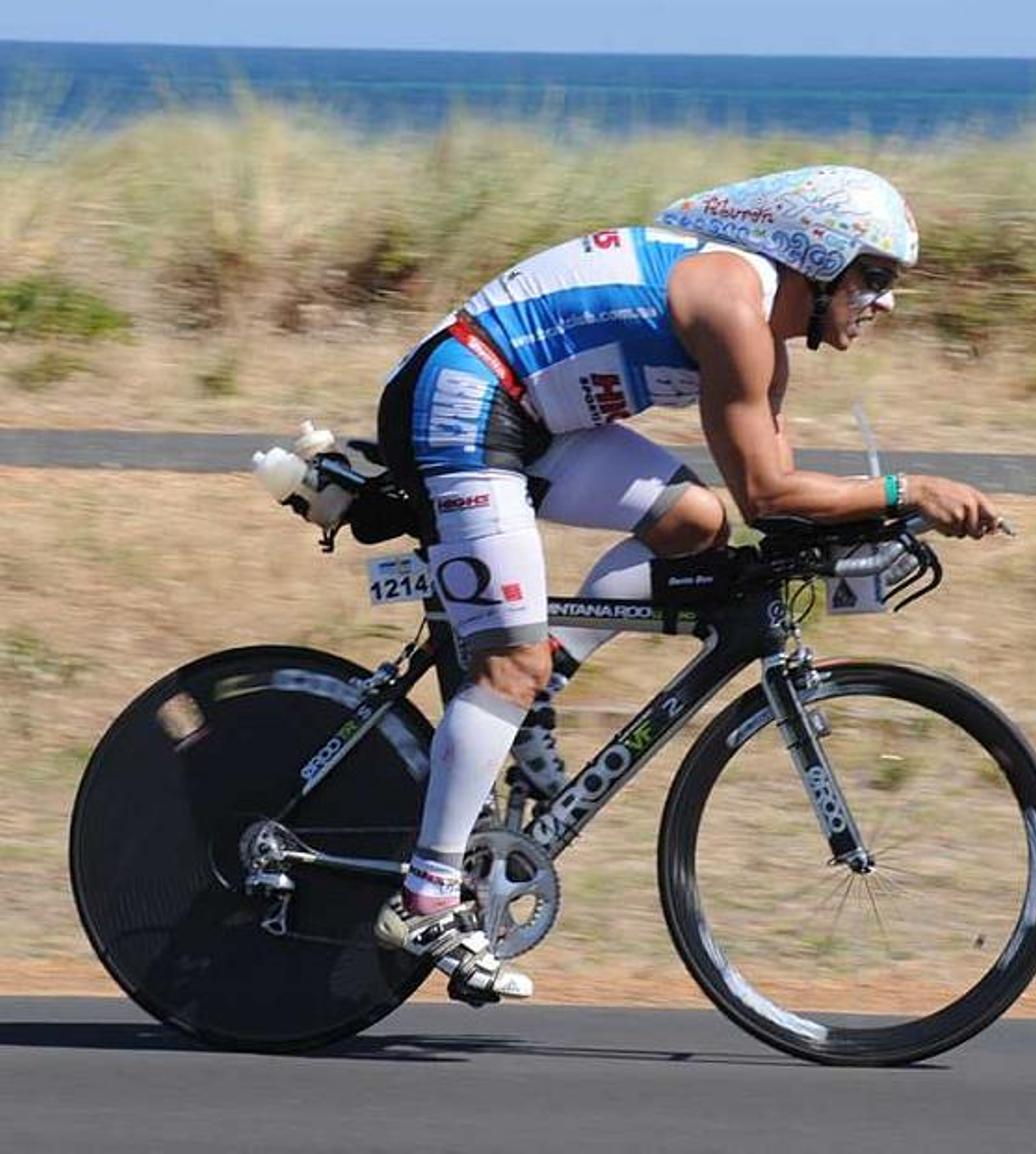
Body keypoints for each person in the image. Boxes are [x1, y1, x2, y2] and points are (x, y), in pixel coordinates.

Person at [372, 165, 1002, 1004]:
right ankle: (426, 899)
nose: (884, 303)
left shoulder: (764, 341)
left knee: (693, 528)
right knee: (503, 668)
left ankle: (550, 673)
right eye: (875, 277)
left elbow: (769, 501)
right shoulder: (736, 312)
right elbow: (772, 495)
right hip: (463, 402)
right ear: (819, 257)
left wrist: (879, 520)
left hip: (534, 420)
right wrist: (904, 492)